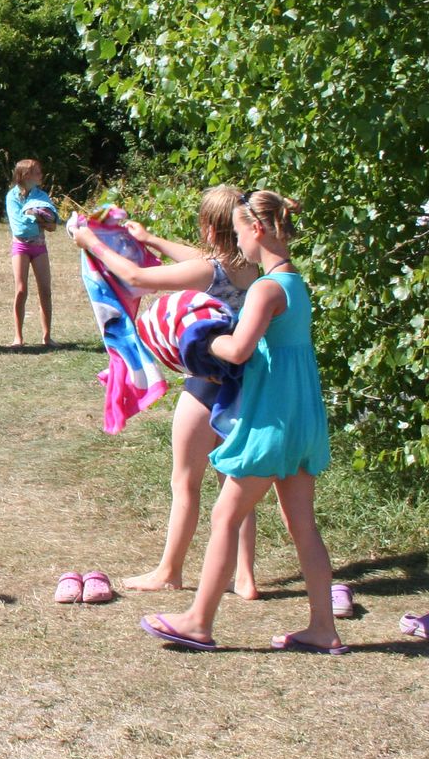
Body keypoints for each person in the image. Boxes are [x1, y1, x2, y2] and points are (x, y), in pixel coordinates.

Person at [141, 190, 346, 654]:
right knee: (303, 525)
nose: (237, 242)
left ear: (256, 230)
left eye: (238, 233)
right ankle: (322, 628)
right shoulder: (295, 283)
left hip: (271, 423)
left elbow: (237, 350)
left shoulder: (266, 289)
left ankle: (198, 622)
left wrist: (192, 334)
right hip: (303, 421)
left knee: (224, 515)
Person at [73, 186, 262, 595]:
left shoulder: (209, 273)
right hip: (248, 388)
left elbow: (137, 277)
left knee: (185, 482)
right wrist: (152, 240)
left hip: (205, 388)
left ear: (208, 228)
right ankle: (246, 577)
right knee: (235, 484)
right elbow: (199, 259)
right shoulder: (256, 270)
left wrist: (91, 242)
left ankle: (169, 571)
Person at [6, 158, 58, 347]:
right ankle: (18, 337)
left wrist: (35, 217)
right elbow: (19, 228)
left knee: (45, 290)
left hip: (39, 247)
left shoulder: (41, 195)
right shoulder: (12, 197)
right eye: (37, 172)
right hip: (20, 247)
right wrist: (39, 220)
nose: (41, 175)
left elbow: (53, 224)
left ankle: (47, 337)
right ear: (26, 175)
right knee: (21, 290)